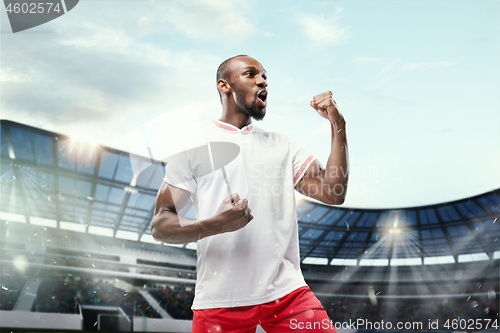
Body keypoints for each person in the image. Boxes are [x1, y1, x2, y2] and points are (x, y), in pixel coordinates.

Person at [151, 55, 349, 332]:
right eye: (251, 74)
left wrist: (337, 125)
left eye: (265, 75)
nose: (262, 80)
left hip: (286, 292)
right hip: (220, 298)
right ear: (225, 85)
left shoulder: (283, 145)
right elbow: (161, 224)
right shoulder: (193, 147)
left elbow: (333, 192)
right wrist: (215, 224)